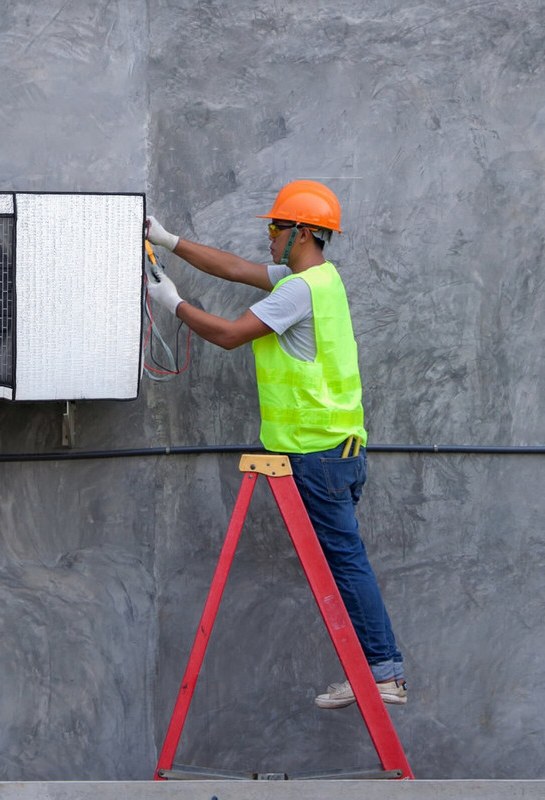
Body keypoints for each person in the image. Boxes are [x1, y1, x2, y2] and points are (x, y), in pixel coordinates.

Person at [146, 180, 407, 709]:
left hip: (317, 456)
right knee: (343, 563)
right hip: (340, 452)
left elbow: (226, 334)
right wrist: (168, 240)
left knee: (345, 564)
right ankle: (377, 672)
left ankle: (383, 673)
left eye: (275, 227)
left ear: (303, 232)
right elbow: (233, 269)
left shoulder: (296, 290)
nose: (267, 236)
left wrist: (171, 304)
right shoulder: (316, 279)